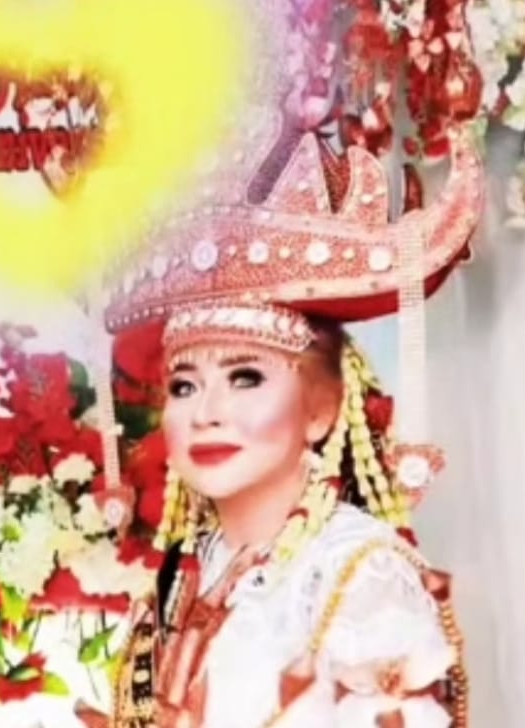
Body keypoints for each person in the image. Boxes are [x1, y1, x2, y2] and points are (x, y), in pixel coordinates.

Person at [77, 102, 484, 728]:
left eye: (245, 377)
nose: (207, 412)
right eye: (184, 386)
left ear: (320, 410)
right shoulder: (196, 566)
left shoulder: (358, 574)